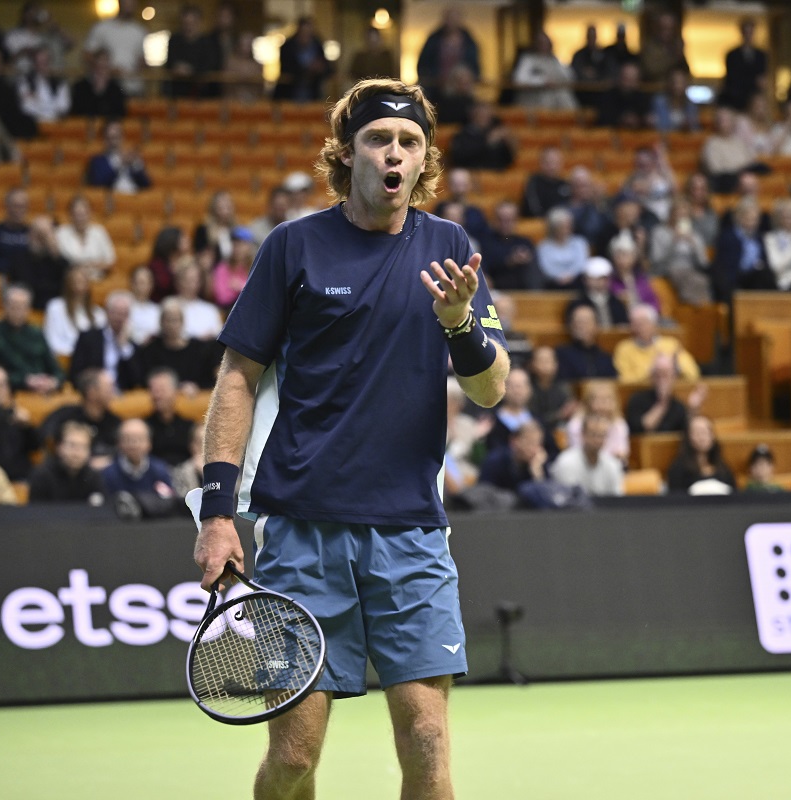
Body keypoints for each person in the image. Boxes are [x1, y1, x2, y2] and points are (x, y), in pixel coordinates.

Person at [190, 78, 508, 800]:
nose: (394, 154)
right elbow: (236, 378)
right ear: (348, 152)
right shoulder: (293, 246)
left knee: (427, 743)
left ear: (423, 160)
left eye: (409, 142)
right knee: (295, 758)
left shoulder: (450, 248)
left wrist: (460, 324)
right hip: (304, 532)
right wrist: (217, 513)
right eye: (378, 139)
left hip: (410, 535)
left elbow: (493, 388)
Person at [0, 283, 63, 394]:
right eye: (13, 306)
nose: (18, 311)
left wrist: (53, 382)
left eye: (23, 306)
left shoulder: (36, 333)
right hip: (8, 392)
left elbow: (57, 370)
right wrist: (25, 381)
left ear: (29, 309)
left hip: (41, 392)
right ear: (4, 306)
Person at [42, 367, 120, 470]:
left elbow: (122, 450)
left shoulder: (114, 421)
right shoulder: (64, 416)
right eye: (109, 388)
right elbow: (46, 437)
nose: (113, 392)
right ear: (91, 392)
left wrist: (109, 460)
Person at [69, 290, 146, 392]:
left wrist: (124, 347)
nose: (120, 318)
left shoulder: (132, 346)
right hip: (93, 392)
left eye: (124, 314)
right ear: (107, 313)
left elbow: (137, 380)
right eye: (116, 313)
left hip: (121, 396)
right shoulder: (88, 338)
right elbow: (76, 373)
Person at [141, 297, 220, 392]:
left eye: (175, 320)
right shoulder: (151, 350)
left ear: (182, 321)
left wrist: (196, 387)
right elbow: (145, 380)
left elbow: (209, 381)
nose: (171, 325)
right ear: (161, 322)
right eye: (167, 320)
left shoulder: (198, 349)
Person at [613, 303, 698, 385]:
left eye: (643, 323)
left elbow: (693, 373)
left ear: (654, 324)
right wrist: (651, 371)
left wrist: (674, 367)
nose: (639, 328)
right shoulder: (624, 349)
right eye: (635, 324)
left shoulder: (671, 344)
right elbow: (624, 381)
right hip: (638, 394)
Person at [625, 352, 705, 436]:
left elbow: (687, 434)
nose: (662, 379)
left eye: (666, 374)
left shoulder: (678, 406)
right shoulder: (637, 400)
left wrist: (693, 409)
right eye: (658, 373)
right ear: (652, 376)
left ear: (674, 377)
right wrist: (662, 403)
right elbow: (643, 428)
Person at [29, 419, 105, 504]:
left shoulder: (94, 477)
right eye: (72, 445)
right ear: (59, 447)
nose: (77, 453)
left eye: (83, 447)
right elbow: (36, 513)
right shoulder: (42, 476)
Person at [83, 0, 148, 97]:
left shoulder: (140, 30)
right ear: (120, 2)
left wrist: (143, 66)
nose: (131, 4)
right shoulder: (102, 27)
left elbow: (142, 60)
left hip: (133, 88)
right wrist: (107, 70)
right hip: (107, 89)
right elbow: (87, 55)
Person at [550, 412, 624, 497]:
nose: (597, 440)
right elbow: (564, 500)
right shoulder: (566, 463)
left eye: (602, 436)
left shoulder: (613, 465)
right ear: (583, 435)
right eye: (593, 435)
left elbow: (617, 501)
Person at [101, 417, 176, 499]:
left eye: (139, 439)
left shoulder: (161, 470)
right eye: (128, 439)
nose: (133, 444)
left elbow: (169, 502)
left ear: (149, 443)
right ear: (119, 443)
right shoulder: (108, 474)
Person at [415, 7, 480, 95]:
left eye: (455, 18)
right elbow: (423, 65)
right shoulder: (433, 40)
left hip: (462, 89)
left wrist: (468, 78)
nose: (452, 22)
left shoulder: (469, 42)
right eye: (449, 18)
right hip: (436, 88)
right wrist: (434, 78)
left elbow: (475, 66)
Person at [479, 201, 542, 290]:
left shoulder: (525, 242)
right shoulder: (485, 242)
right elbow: (486, 268)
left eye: (509, 220)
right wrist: (510, 261)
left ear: (516, 220)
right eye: (501, 219)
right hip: (496, 292)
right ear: (494, 220)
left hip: (525, 290)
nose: (505, 224)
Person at [665, 414, 735, 494]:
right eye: (697, 432)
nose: (702, 437)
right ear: (688, 437)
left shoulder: (723, 468)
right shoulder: (678, 469)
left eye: (706, 432)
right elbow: (674, 498)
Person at [565, 380, 630, 465]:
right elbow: (576, 453)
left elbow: (622, 455)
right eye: (598, 400)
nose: (603, 405)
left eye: (608, 400)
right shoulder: (576, 424)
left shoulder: (619, 424)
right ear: (588, 402)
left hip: (612, 468)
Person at [164, 4, 221, 99]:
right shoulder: (174, 40)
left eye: (192, 23)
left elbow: (210, 66)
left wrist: (191, 71)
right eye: (186, 23)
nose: (189, 27)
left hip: (202, 95)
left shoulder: (208, 42)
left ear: (199, 22)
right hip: (178, 93)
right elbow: (170, 63)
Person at [477, 419, 548, 495]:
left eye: (538, 444)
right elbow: (483, 494)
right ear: (514, 441)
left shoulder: (537, 463)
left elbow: (546, 498)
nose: (534, 449)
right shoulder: (495, 461)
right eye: (530, 443)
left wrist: (537, 474)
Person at [272, 15, 331, 102]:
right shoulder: (288, 47)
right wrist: (308, 68)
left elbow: (327, 68)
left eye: (309, 32)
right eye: (304, 32)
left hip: (312, 92)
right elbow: (286, 69)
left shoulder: (317, 45)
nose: (306, 36)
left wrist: (320, 68)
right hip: (290, 92)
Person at [55, 195, 115, 278]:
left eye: (83, 214)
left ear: (90, 214)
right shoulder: (61, 233)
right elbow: (58, 260)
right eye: (77, 214)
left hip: (96, 279)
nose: (80, 218)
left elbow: (110, 261)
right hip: (71, 280)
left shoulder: (99, 232)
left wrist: (91, 265)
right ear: (70, 215)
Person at [446, 100, 516, 171]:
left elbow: (508, 160)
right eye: (481, 115)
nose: (485, 118)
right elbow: (458, 158)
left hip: (495, 174)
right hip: (472, 172)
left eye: (487, 115)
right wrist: (487, 142)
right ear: (473, 116)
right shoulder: (463, 134)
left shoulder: (496, 133)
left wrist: (509, 143)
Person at [85, 119, 151, 194]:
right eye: (111, 138)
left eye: (117, 137)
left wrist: (136, 165)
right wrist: (119, 162)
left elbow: (147, 186)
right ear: (104, 140)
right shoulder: (97, 161)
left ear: (122, 137)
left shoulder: (131, 157)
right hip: (111, 201)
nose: (114, 142)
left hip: (134, 200)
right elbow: (98, 185)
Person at [145, 366, 193, 465]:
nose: (157, 395)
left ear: (175, 392)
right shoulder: (145, 427)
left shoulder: (188, 426)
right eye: (154, 390)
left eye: (162, 390)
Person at [556, 304, 616, 381]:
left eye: (586, 322)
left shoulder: (605, 358)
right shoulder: (561, 354)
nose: (581, 326)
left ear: (596, 326)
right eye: (578, 322)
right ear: (571, 326)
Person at [535, 207, 589, 289]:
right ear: (554, 228)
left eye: (568, 225)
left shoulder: (579, 243)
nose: (567, 228)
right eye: (562, 226)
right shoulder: (543, 246)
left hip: (576, 282)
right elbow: (546, 267)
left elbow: (581, 264)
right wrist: (559, 277)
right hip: (552, 283)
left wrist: (570, 275)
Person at [17, 47, 70, 122]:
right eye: (40, 62)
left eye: (46, 62)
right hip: (33, 123)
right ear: (34, 63)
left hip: (55, 124)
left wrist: (37, 103)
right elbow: (26, 107)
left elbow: (63, 107)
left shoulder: (61, 83)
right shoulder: (25, 82)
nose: (43, 65)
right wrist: (49, 110)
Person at [71, 48, 128, 119]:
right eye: (98, 67)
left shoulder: (116, 89)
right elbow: (76, 115)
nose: (101, 72)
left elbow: (120, 116)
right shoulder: (79, 88)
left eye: (104, 68)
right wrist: (97, 89)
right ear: (92, 68)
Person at [520, 147, 571, 219]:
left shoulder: (565, 184)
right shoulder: (533, 182)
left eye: (555, 162)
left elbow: (571, 207)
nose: (552, 167)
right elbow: (533, 209)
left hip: (561, 224)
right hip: (538, 223)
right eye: (548, 163)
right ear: (541, 163)